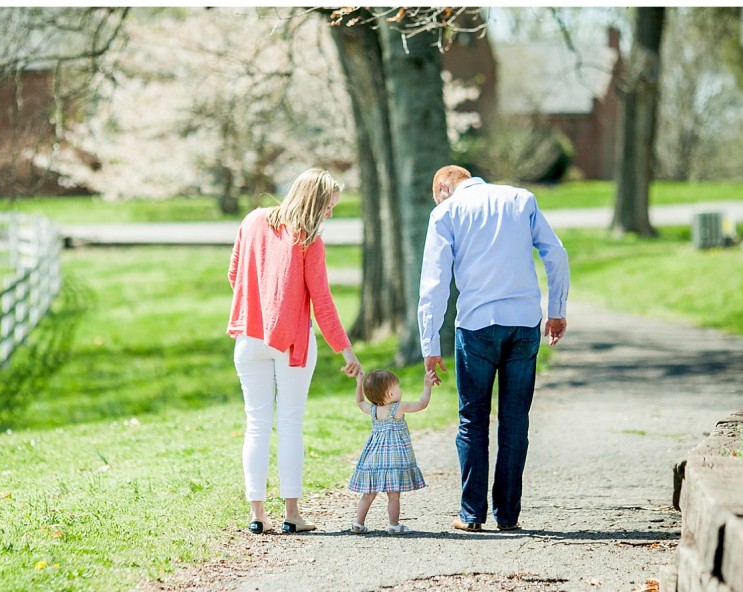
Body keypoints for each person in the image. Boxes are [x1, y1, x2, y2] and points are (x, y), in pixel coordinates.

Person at [418, 165, 569, 532]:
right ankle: (508, 515)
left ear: (443, 189)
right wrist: (557, 311)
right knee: (515, 420)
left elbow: (434, 282)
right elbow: (557, 255)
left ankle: (471, 515)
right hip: (523, 322)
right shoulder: (522, 199)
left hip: (476, 326)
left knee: (473, 420)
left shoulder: (446, 212)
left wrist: (430, 341)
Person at [228, 167, 361, 535]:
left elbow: (233, 273)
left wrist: (258, 302)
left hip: (248, 337)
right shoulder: (309, 241)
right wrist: (346, 351)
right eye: (329, 206)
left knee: (256, 424)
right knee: (289, 425)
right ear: (315, 202)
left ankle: (257, 514)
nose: (331, 213)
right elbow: (323, 302)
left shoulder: (253, 221)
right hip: (291, 344)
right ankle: (292, 514)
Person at [348, 369, 435, 534]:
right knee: (393, 495)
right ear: (389, 393)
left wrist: (359, 384)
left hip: (373, 458)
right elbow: (422, 404)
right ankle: (394, 525)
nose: (401, 390)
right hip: (394, 459)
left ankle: (358, 524)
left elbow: (360, 402)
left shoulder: (373, 410)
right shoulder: (398, 408)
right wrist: (427, 386)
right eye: (398, 387)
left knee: (368, 494)